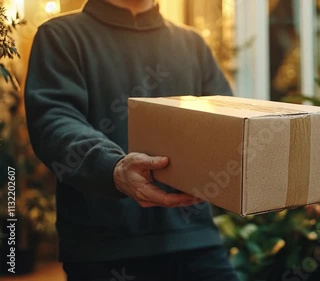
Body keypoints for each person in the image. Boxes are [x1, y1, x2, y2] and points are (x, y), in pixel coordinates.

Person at [24, 0, 239, 280]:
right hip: (103, 249)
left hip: (196, 241)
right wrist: (113, 168)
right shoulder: (61, 36)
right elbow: (53, 121)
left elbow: (229, 126)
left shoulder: (192, 43)